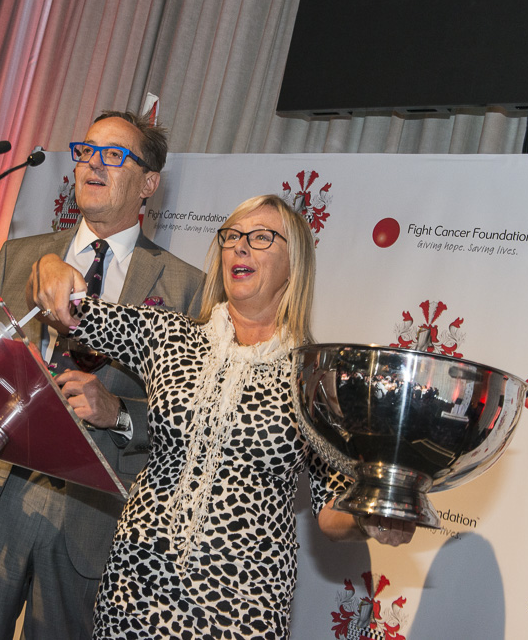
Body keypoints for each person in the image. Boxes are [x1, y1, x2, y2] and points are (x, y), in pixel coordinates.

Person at [31, 194, 415, 638]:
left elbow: (331, 512)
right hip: (136, 586)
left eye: (261, 237)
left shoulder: (314, 377)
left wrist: (371, 518)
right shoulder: (168, 335)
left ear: (294, 265)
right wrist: (49, 267)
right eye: (232, 236)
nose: (240, 246)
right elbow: (68, 311)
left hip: (243, 603)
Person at [0, 111, 204, 640]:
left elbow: (189, 418)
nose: (93, 164)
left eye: (114, 155)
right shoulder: (19, 255)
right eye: (86, 151)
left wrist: (119, 413)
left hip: (93, 516)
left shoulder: (184, 287)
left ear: (149, 184)